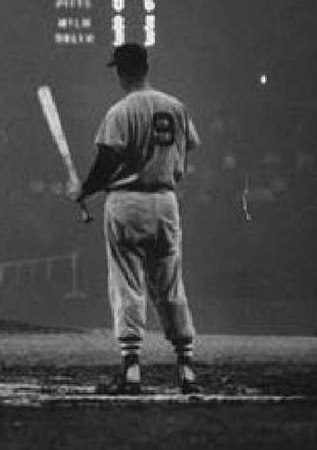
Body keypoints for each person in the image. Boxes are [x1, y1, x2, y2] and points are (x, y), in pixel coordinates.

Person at [70, 43, 201, 395]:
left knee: (127, 283)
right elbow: (187, 145)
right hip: (166, 201)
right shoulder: (176, 106)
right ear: (146, 67)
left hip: (127, 202)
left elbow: (107, 162)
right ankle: (186, 365)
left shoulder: (120, 110)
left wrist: (84, 190)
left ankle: (131, 368)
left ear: (121, 72)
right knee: (171, 284)